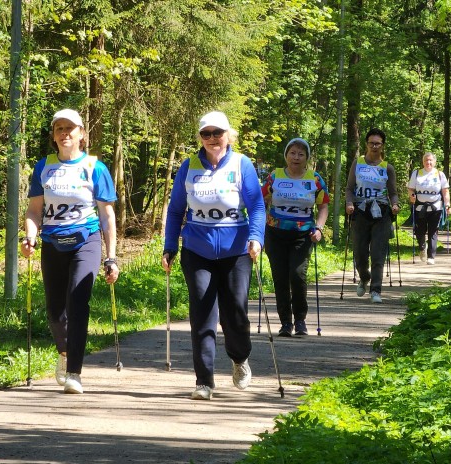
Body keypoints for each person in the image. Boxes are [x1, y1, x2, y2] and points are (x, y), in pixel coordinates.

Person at [161, 111, 265, 401]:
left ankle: (239, 357)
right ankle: (204, 380)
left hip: (236, 251)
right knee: (203, 313)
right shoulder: (189, 166)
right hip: (198, 250)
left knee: (235, 315)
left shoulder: (241, 164)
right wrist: (170, 245)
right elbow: (175, 210)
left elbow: (256, 206)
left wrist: (256, 238)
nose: (211, 139)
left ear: (228, 135)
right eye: (205, 134)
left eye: (217, 133)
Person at [21, 108, 119, 394]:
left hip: (85, 240)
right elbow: (34, 210)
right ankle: (64, 354)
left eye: (70, 128)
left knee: (78, 302)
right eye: (59, 129)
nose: (65, 133)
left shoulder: (94, 167)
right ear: (54, 135)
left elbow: (107, 215)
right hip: (52, 242)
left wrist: (111, 256)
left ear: (82, 134)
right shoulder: (44, 166)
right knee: (55, 311)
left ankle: (75, 371)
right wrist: (30, 236)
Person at [261, 138, 329, 337]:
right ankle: (285, 323)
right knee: (280, 278)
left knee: (297, 275)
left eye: (301, 154)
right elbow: (260, 199)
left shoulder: (314, 179)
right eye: (292, 153)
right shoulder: (275, 176)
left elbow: (323, 205)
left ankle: (300, 320)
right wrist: (261, 223)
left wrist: (319, 228)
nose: (296, 157)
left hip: (302, 235)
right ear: (286, 155)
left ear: (307, 157)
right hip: (275, 233)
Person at [345, 128, 400, 304]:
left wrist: (395, 204)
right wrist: (349, 203)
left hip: (382, 212)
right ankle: (364, 276)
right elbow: (349, 188)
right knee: (360, 254)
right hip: (360, 211)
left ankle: (376, 290)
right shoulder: (358, 163)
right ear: (366, 144)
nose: (374, 146)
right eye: (371, 143)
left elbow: (393, 192)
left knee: (378, 253)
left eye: (378, 143)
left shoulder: (387, 168)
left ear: (382, 145)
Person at [407, 152, 451, 265]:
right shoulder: (416, 173)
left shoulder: (440, 174)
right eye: (426, 160)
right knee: (419, 231)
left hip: (436, 207)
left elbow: (445, 191)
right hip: (419, 208)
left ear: (435, 162)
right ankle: (422, 248)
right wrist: (411, 197)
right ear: (423, 162)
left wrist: (447, 205)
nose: (428, 162)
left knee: (433, 231)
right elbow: (411, 189)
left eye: (431, 160)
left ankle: (431, 256)